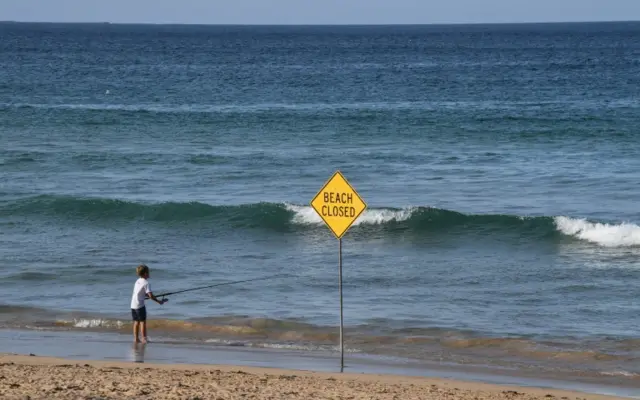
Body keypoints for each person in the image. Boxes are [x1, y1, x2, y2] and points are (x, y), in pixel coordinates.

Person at [130, 264, 167, 343]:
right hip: (140, 306)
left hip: (133, 305)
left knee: (136, 322)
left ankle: (136, 339)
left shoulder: (138, 281)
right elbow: (150, 296)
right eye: (148, 272)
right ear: (145, 273)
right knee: (143, 322)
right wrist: (159, 301)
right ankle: (144, 339)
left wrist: (146, 296)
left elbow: (141, 292)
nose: (149, 273)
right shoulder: (146, 283)